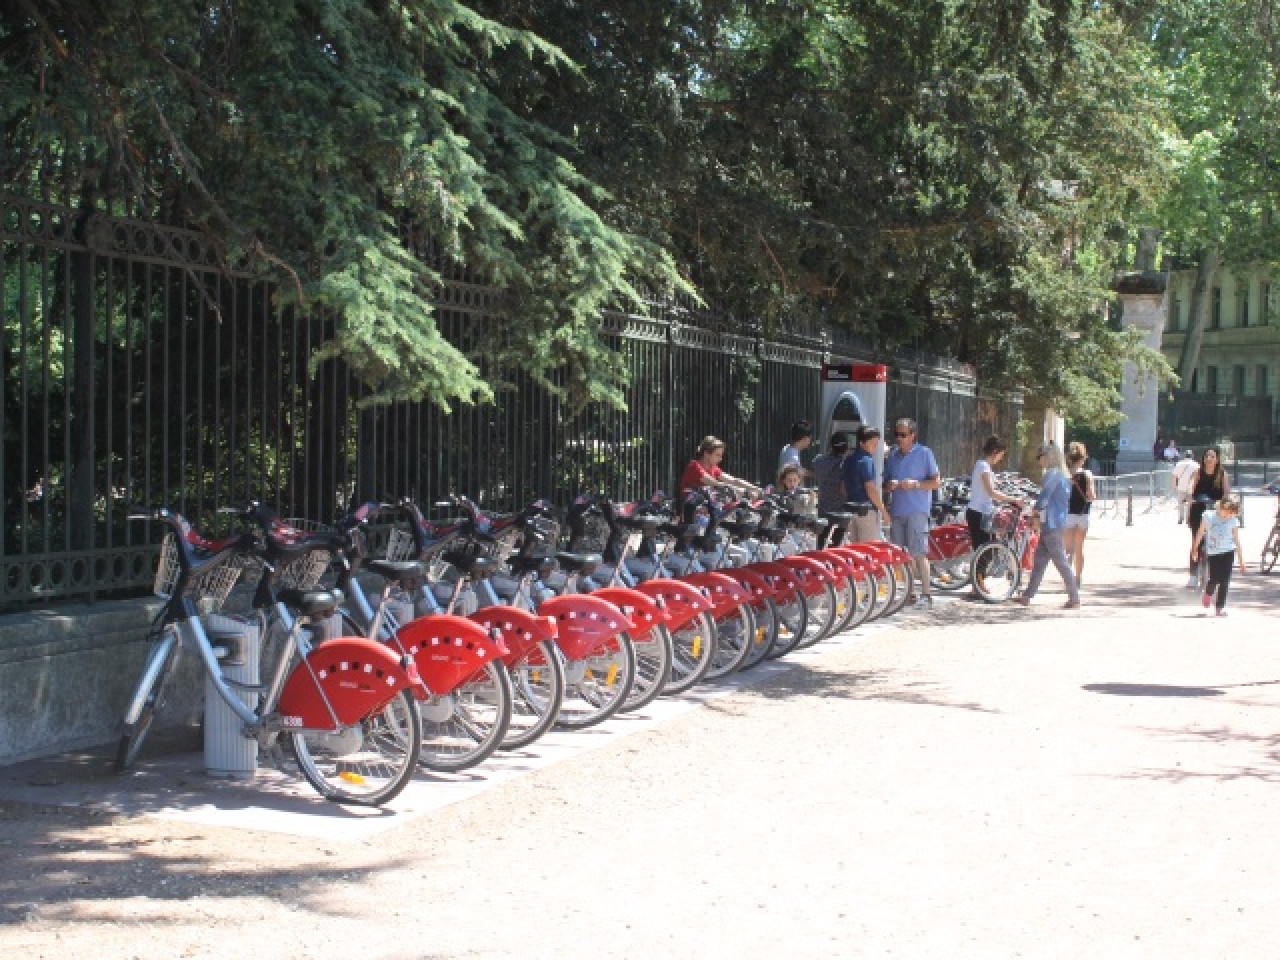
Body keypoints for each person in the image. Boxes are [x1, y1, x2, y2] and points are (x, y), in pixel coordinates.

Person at [1013, 442, 1081, 609]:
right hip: (1056, 522)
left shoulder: (1052, 474)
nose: (1039, 460)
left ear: (1048, 456)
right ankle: (1028, 595)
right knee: (1040, 561)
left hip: (1051, 522)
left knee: (1060, 562)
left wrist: (1033, 511)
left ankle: (1075, 598)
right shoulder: (1063, 476)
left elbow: (1044, 498)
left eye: (1040, 456)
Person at [882, 417, 940, 608]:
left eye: (903, 435)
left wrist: (915, 484)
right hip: (898, 511)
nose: (899, 438)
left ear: (912, 435)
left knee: (919, 553)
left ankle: (926, 594)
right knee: (901, 555)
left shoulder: (924, 453)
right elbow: (886, 482)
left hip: (917, 510)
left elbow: (936, 482)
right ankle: (909, 593)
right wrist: (888, 486)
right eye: (897, 435)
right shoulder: (892, 456)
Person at [966, 436, 1022, 594]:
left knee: (986, 548)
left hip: (983, 511)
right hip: (977, 512)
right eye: (1001, 454)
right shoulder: (983, 466)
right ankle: (977, 585)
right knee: (983, 549)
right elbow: (991, 492)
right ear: (995, 452)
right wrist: (1013, 499)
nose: (1001, 458)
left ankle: (978, 583)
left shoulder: (985, 467)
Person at [1191, 496, 1246, 616]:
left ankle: (1219, 607)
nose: (1229, 515)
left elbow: (1237, 541)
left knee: (1225, 581)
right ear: (1221, 507)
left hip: (1228, 552)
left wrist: (1241, 561)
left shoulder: (1233, 521)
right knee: (1214, 578)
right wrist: (1195, 548)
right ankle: (1208, 593)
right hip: (1213, 553)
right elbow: (1200, 532)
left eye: (1232, 513)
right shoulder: (1208, 516)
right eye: (1228, 511)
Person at [1185, 446, 1230, 588]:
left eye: (1212, 456)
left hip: (1216, 512)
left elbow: (1226, 493)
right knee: (1196, 541)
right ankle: (1193, 574)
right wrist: (1189, 497)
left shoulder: (1222, 474)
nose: (1209, 459)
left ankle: (1215, 573)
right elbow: (1190, 487)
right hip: (1198, 509)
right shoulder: (1198, 472)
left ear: (1217, 460)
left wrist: (1224, 502)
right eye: (1206, 456)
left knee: (1217, 542)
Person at [843, 426, 889, 543]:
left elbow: (842, 487)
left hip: (850, 509)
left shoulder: (848, 460)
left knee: (854, 552)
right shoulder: (866, 460)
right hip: (866, 510)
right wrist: (883, 511)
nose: (875, 446)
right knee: (869, 550)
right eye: (872, 443)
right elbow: (870, 488)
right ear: (862, 442)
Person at [678, 436, 762, 498]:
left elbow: (734, 480)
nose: (720, 459)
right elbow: (716, 484)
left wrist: (756, 488)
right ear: (706, 453)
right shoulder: (694, 466)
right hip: (693, 514)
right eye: (718, 455)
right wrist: (746, 492)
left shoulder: (713, 468)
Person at [1063, 441, 1095, 586]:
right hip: (1083, 514)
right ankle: (1077, 578)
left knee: (1068, 550)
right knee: (1079, 547)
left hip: (1069, 514)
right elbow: (1092, 495)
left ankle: (1068, 580)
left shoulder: (1066, 475)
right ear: (1082, 458)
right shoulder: (1087, 474)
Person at [811, 433, 851, 548]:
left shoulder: (819, 461)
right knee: (835, 545)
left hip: (823, 507)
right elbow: (844, 489)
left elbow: (815, 466)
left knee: (821, 541)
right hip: (840, 509)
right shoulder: (844, 465)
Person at [1171, 449, 1197, 523]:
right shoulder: (1195, 464)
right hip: (1191, 486)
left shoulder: (1179, 464)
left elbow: (1174, 476)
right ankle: (1188, 518)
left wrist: (1174, 486)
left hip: (1181, 486)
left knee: (1180, 502)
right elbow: (1198, 477)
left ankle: (1181, 518)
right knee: (1190, 503)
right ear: (1192, 456)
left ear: (1185, 456)